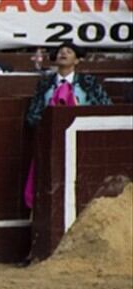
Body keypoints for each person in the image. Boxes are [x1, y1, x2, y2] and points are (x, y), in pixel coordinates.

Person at [22, 41, 112, 210]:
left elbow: (105, 107)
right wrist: (46, 124)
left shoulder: (87, 82)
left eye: (69, 51)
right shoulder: (45, 83)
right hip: (51, 140)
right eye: (60, 51)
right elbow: (33, 115)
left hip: (83, 141)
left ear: (77, 60)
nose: (63, 53)